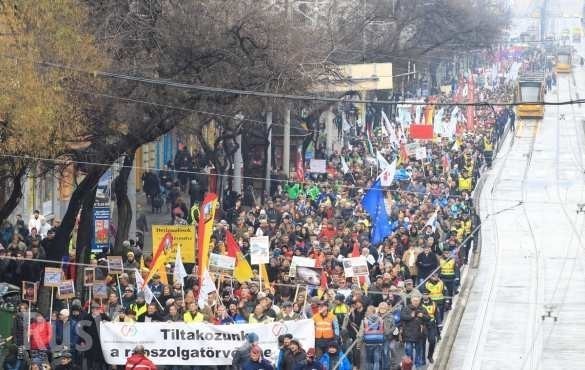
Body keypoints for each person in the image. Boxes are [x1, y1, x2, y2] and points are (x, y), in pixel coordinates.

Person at [400, 295, 429, 369]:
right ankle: (409, 365)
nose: (416, 302)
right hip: (408, 334)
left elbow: (428, 318)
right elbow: (402, 317)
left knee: (418, 352)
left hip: (419, 334)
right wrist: (411, 316)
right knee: (409, 351)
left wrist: (422, 316)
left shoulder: (422, 309)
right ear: (411, 301)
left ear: (419, 301)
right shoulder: (406, 309)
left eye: (417, 300)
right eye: (414, 300)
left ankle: (417, 366)